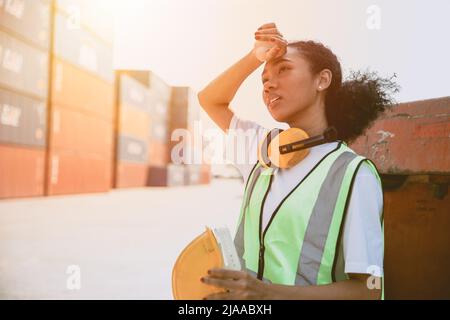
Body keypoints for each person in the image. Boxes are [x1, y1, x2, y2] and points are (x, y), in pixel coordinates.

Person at [197, 22, 398, 300]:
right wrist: (256, 56)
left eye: (284, 69)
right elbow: (209, 99)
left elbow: (369, 290)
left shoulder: (353, 173)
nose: (268, 83)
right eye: (264, 78)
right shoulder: (262, 148)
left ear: (322, 80)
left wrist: (267, 293)